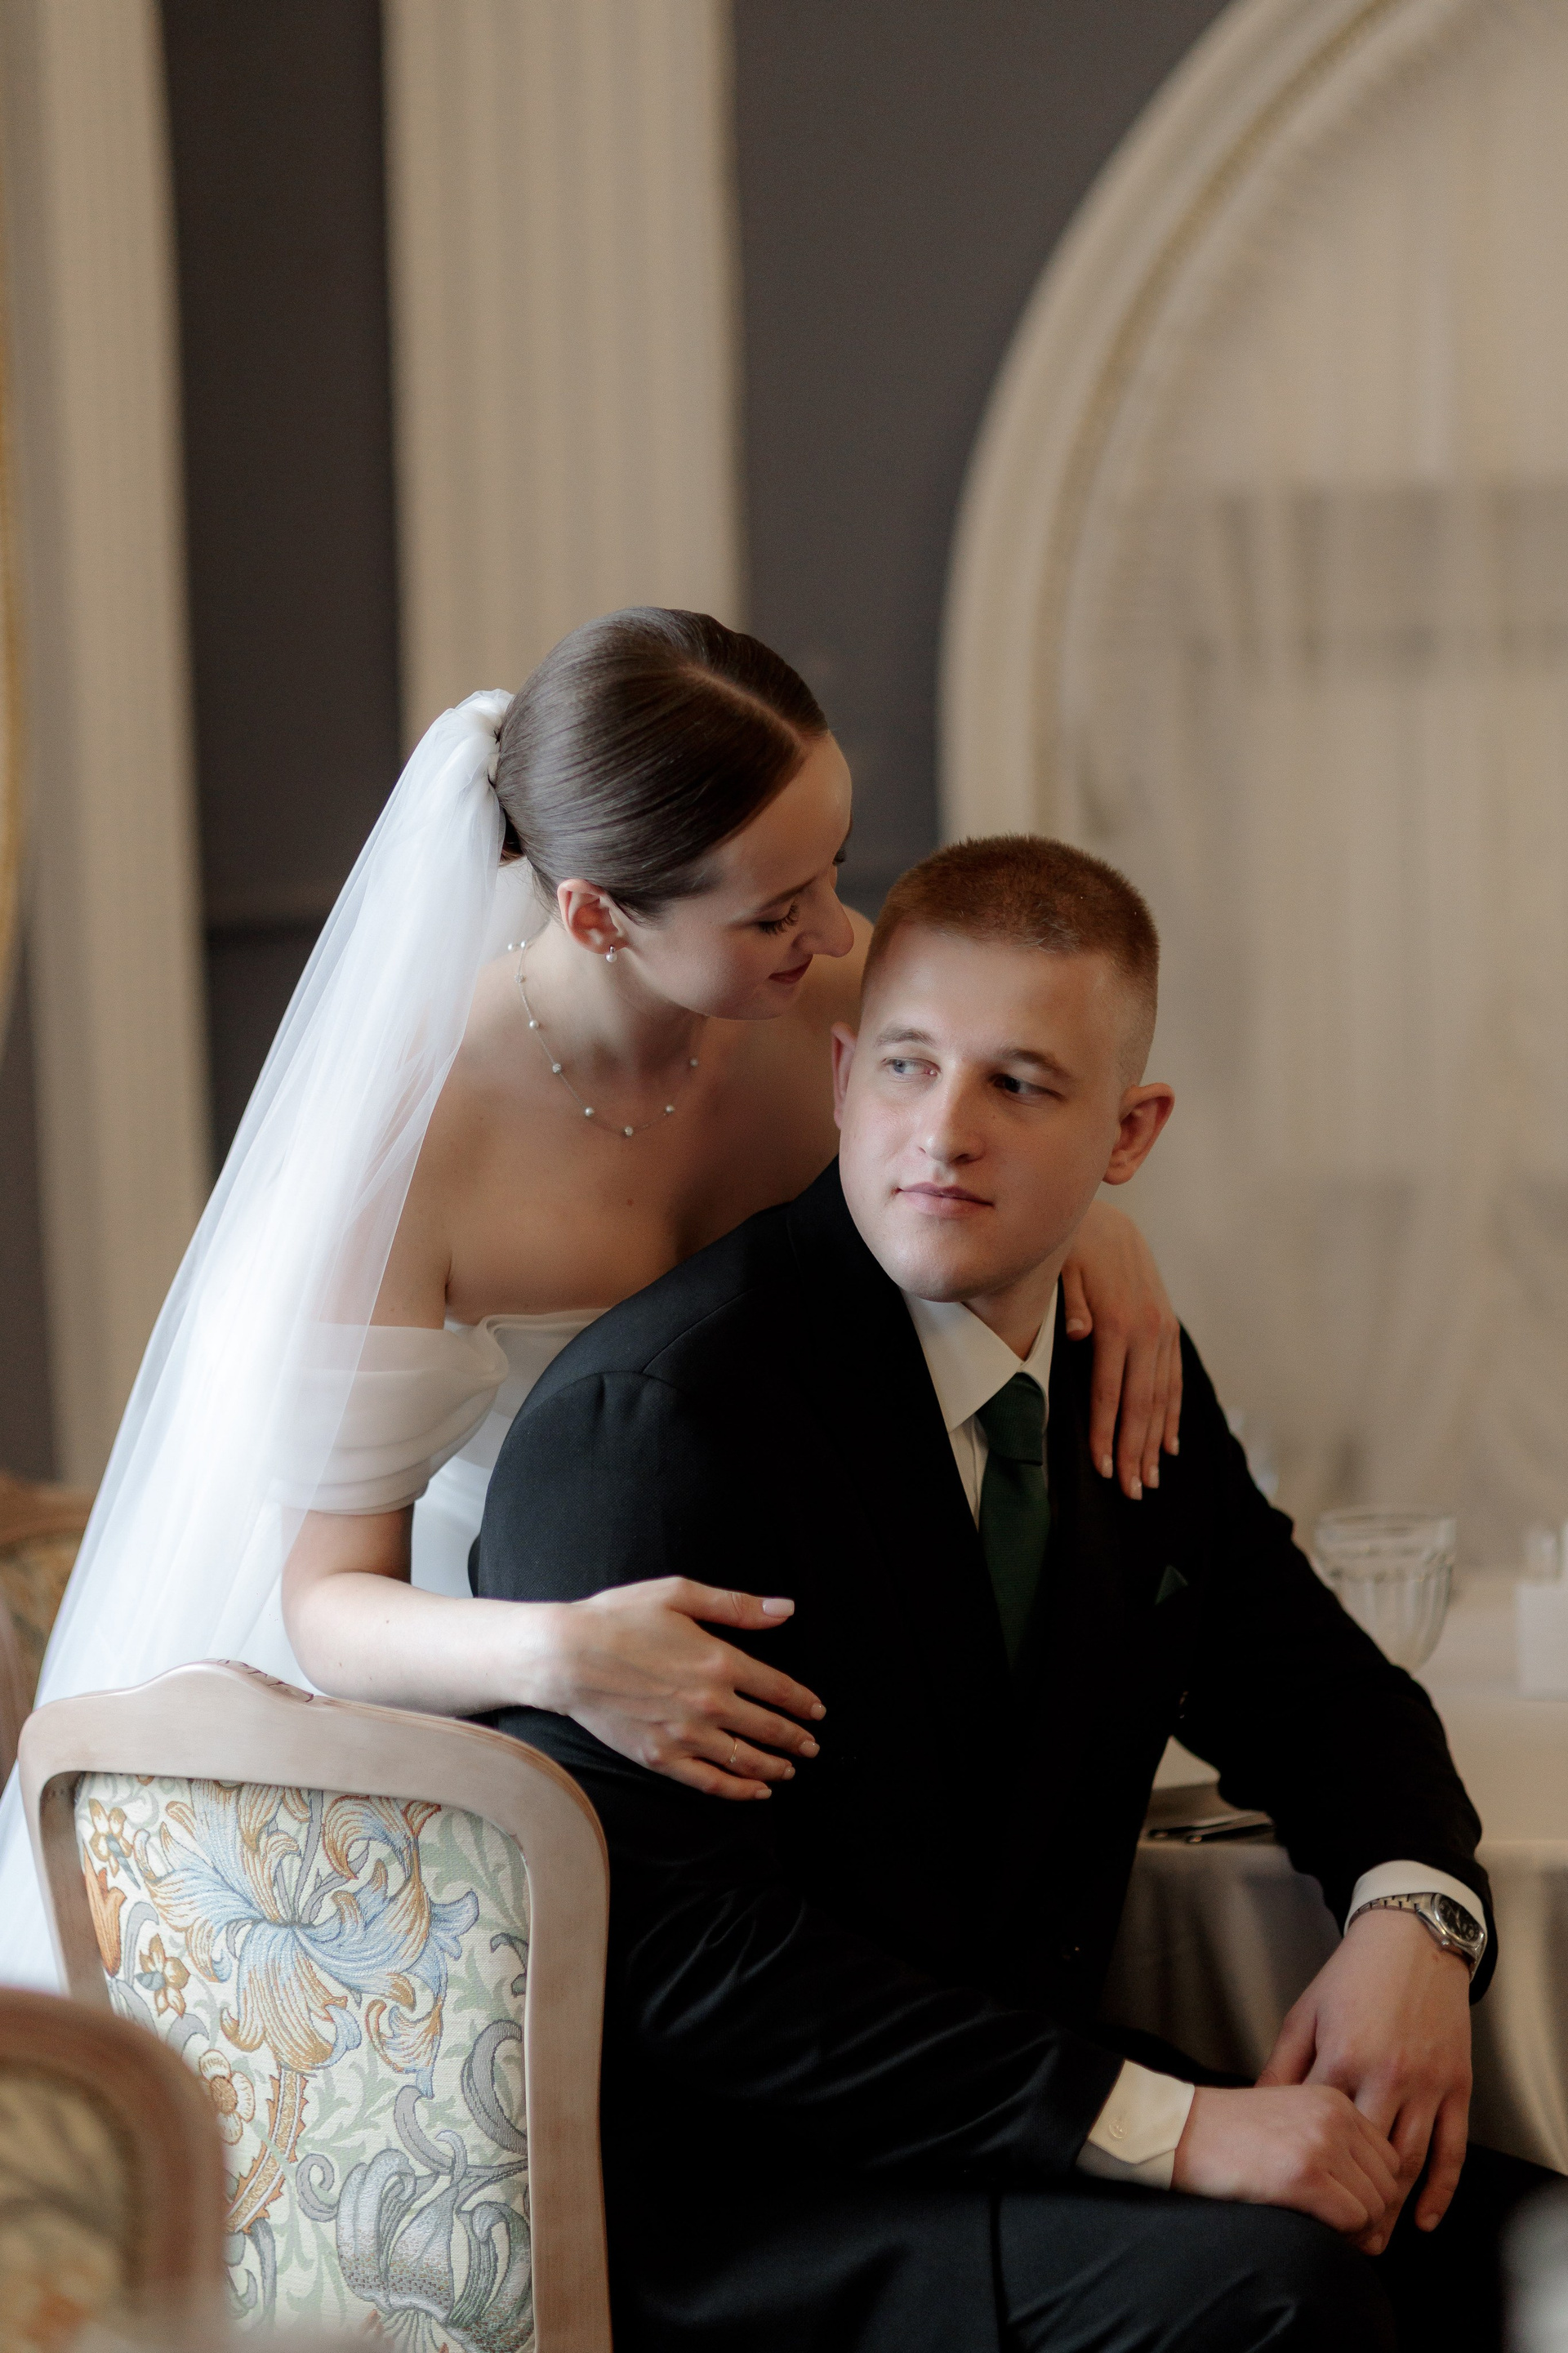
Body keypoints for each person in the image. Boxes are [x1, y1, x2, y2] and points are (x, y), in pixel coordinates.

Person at [475, 833, 1544, 2353]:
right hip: (745, 2198)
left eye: (1022, 1084)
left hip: (1011, 2122)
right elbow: (694, 1968)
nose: (944, 1132)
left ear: (1131, 1131)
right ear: (840, 1077)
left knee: (1529, 2243)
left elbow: (1322, 1692)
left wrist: (1413, 1918)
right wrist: (1179, 2127)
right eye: (907, 1066)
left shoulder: (1118, 1371)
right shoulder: (663, 1418)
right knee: (1282, 2291)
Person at [0, 611, 1179, 1986]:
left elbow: (1000, 1118)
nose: (835, 929)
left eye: (832, 869)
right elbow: (329, 1601)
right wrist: (561, 1654)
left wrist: (1091, 1229)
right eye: (774, 909)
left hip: (813, 1662)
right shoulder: (414, 1143)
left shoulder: (830, 998)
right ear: (597, 915)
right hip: (494, 1683)